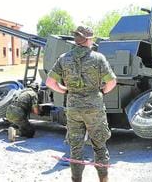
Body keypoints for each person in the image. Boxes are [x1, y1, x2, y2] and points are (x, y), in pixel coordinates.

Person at [46, 25, 117, 182]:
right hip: (94, 109)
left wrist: (65, 90)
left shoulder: (64, 58)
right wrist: (100, 92)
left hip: (73, 108)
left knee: (76, 149)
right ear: (89, 40)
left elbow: (50, 82)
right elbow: (111, 82)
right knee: (99, 146)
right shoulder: (98, 58)